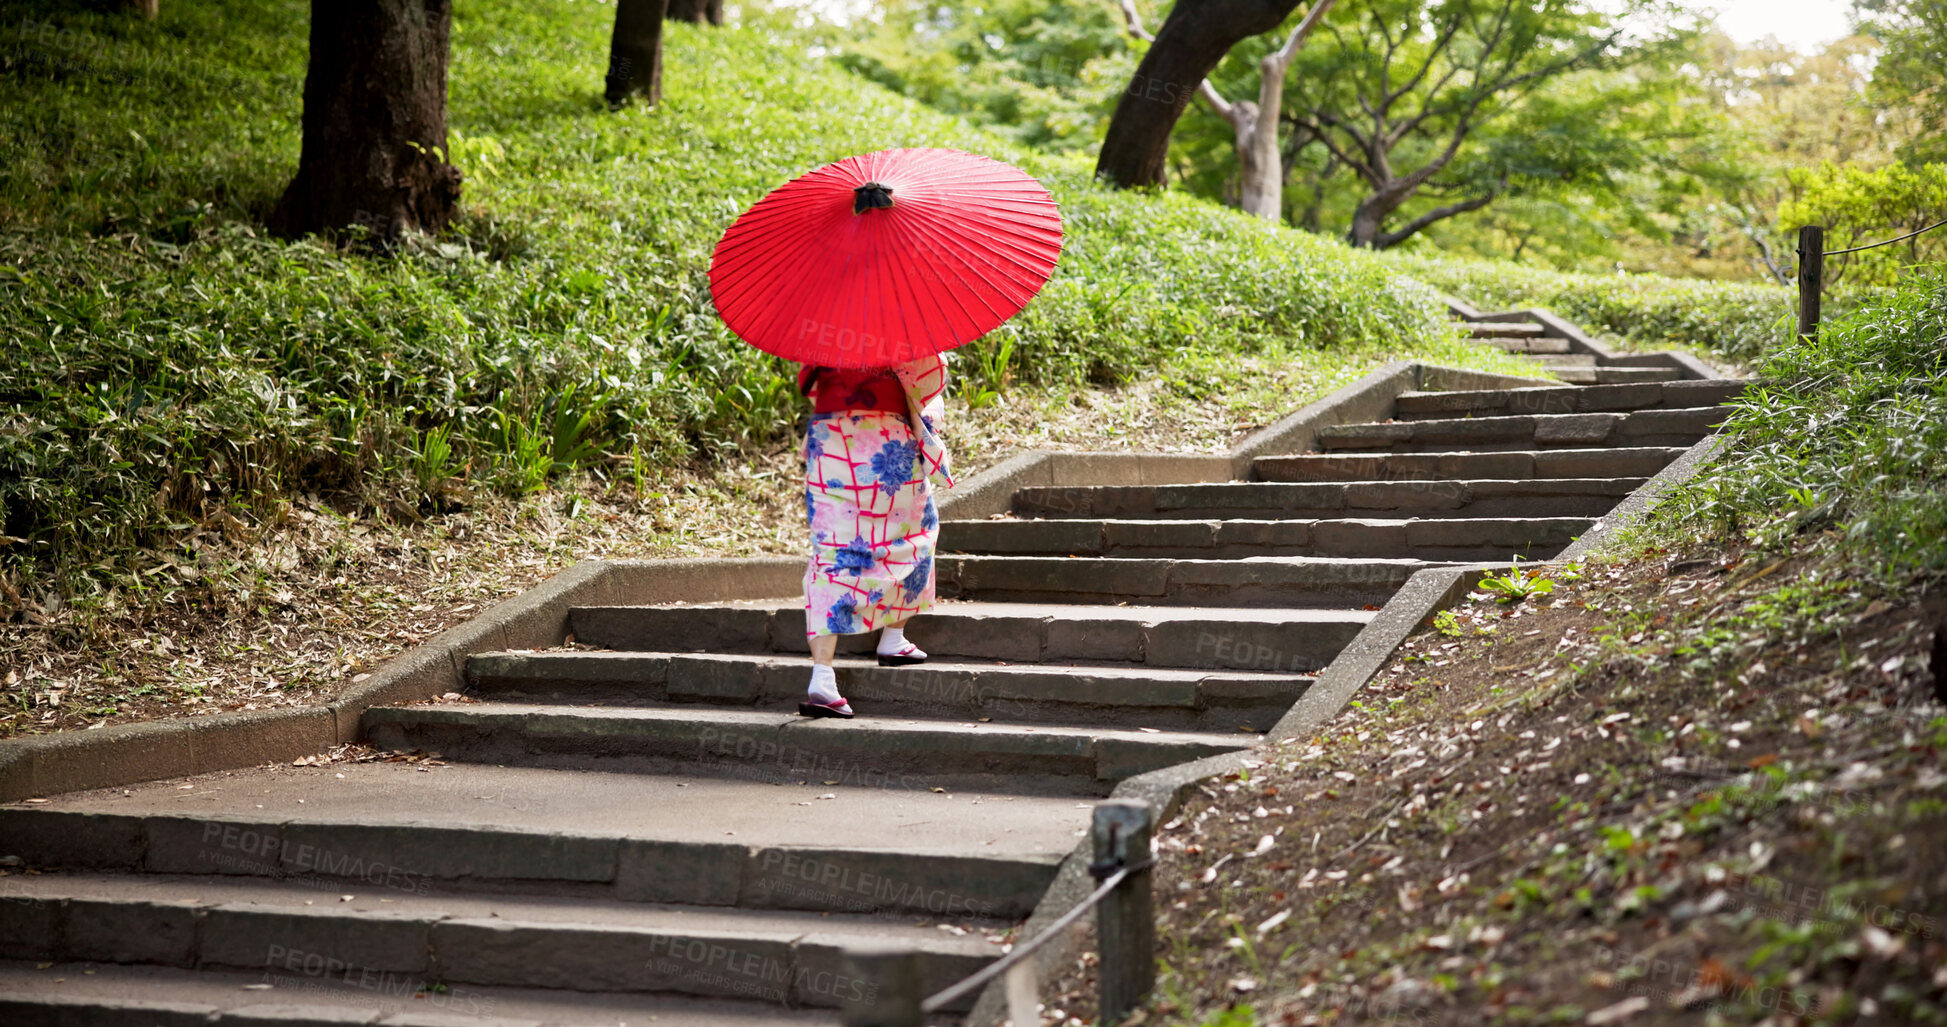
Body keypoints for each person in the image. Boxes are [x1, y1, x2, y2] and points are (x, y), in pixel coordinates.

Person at [796, 353, 954, 718]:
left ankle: (823, 676)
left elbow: (809, 383)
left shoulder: (823, 326)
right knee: (914, 533)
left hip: (830, 439)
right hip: (885, 438)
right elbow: (928, 382)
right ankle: (893, 637)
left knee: (832, 551)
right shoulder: (901, 325)